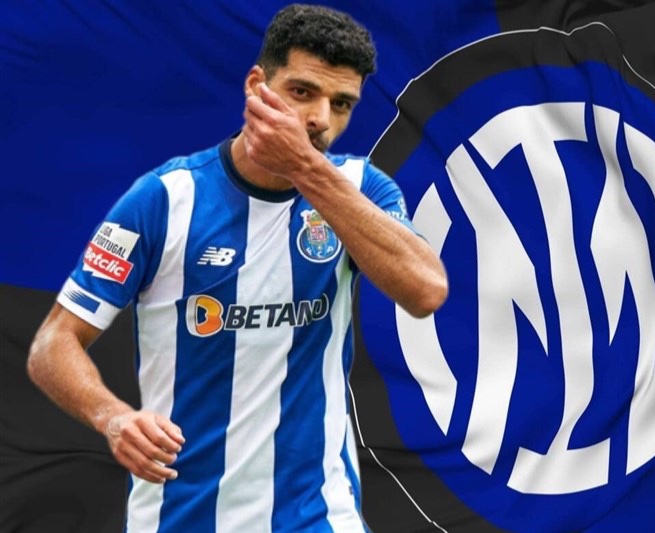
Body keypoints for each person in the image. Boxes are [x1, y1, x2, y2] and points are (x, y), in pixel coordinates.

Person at [26, 4, 448, 532]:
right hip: (182, 516)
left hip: (317, 516)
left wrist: (306, 169)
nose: (320, 119)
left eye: (341, 104)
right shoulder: (164, 199)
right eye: (302, 92)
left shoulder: (361, 191)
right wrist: (113, 418)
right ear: (256, 86)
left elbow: (426, 290)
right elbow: (53, 344)